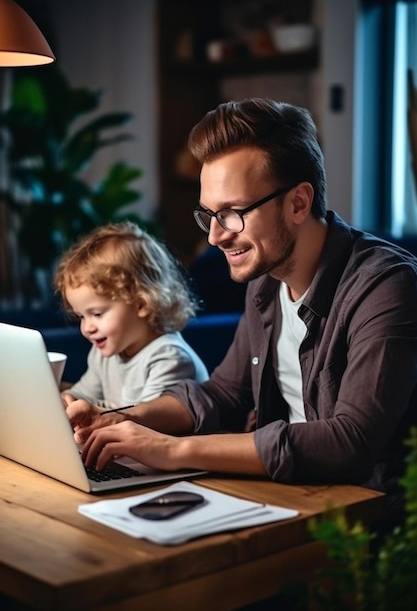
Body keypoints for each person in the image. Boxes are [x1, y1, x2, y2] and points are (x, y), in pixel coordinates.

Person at [65, 98, 417, 525]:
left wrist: (172, 451)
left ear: (299, 203)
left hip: (372, 531)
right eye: (209, 215)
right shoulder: (264, 282)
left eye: (232, 214)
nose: (214, 236)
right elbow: (224, 395)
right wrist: (116, 419)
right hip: (288, 500)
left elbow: (350, 441)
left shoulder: (387, 285)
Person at [54, 221, 208, 410]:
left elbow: (145, 423)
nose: (87, 328)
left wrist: (87, 409)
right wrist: (67, 400)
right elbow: (84, 395)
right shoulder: (105, 351)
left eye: (97, 314)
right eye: (81, 316)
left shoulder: (170, 358)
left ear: (141, 304)